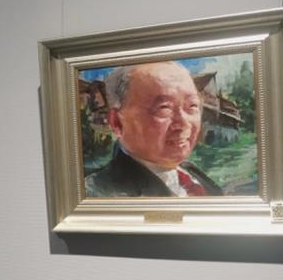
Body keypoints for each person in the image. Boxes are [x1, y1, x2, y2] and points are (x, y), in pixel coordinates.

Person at [85, 60, 223, 197]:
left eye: (192, 106)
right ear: (117, 122)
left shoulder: (192, 175)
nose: (183, 123)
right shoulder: (99, 194)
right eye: (164, 108)